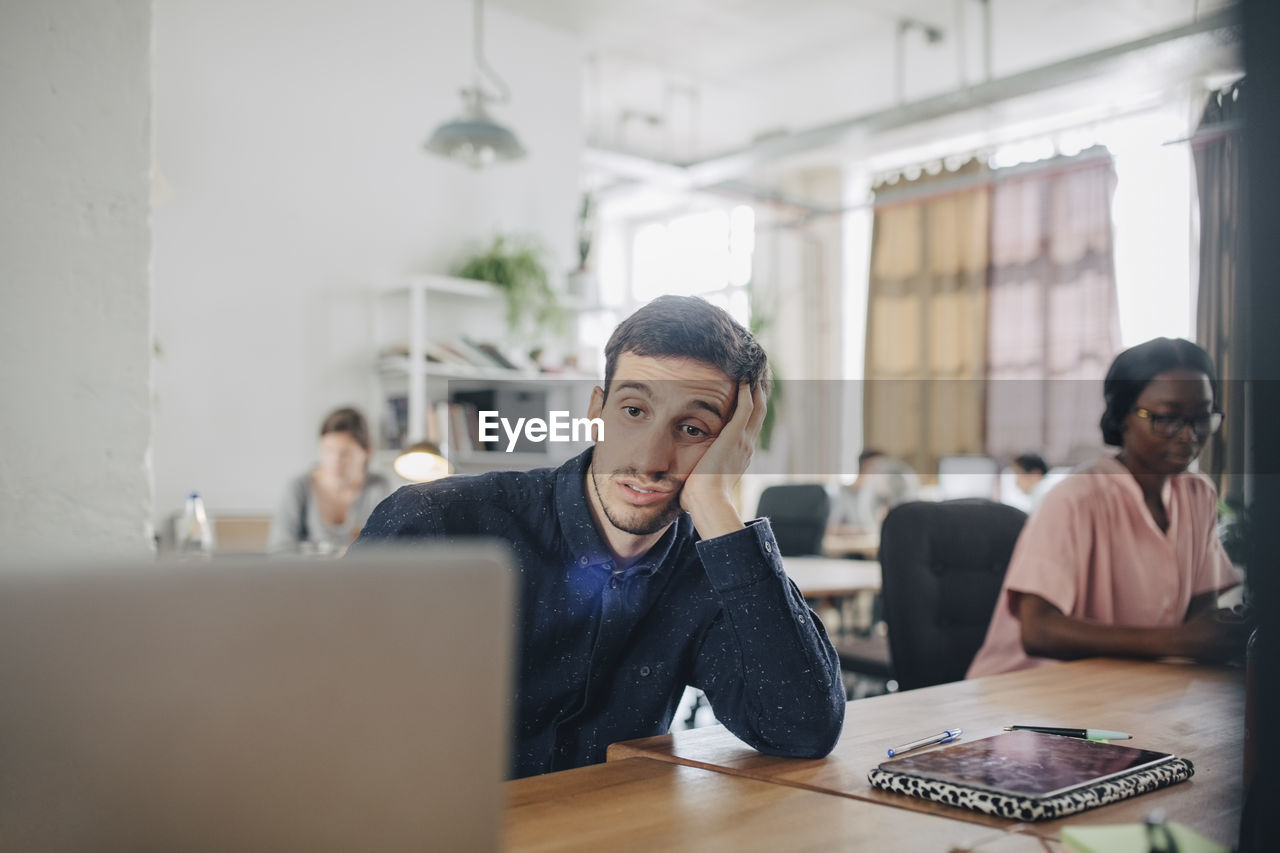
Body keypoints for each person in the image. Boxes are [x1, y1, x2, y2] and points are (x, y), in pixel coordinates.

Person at [353, 295, 845, 778]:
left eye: (693, 429)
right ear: (597, 410)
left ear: (733, 449)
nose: (650, 459)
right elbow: (325, 722)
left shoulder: (706, 567)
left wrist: (716, 502)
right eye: (633, 411)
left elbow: (801, 730)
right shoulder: (435, 525)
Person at [967, 338, 1251, 678]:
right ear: (1122, 417)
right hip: (1025, 692)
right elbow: (1038, 631)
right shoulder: (1076, 497)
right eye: (1166, 418)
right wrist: (1177, 642)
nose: (1189, 436)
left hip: (1130, 687)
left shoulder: (1198, 494)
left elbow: (1197, 620)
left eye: (1202, 418)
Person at [268, 406, 393, 556]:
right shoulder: (298, 488)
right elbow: (280, 551)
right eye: (328, 451)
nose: (335, 461)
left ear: (366, 452)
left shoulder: (378, 488)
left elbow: (388, 548)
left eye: (345, 453)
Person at [828, 449, 919, 534]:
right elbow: (830, 528)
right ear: (865, 467)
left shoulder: (883, 497)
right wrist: (858, 530)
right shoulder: (844, 492)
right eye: (878, 469)